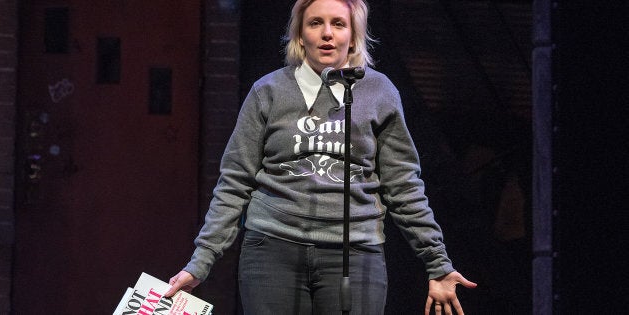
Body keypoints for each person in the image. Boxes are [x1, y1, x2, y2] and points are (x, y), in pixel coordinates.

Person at [165, 0, 476, 314]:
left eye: (338, 24)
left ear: (353, 36)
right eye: (315, 23)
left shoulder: (379, 92)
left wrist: (437, 263)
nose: (327, 33)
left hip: (355, 252)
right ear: (300, 35)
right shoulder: (268, 91)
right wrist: (199, 265)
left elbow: (404, 185)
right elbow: (234, 183)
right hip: (272, 249)